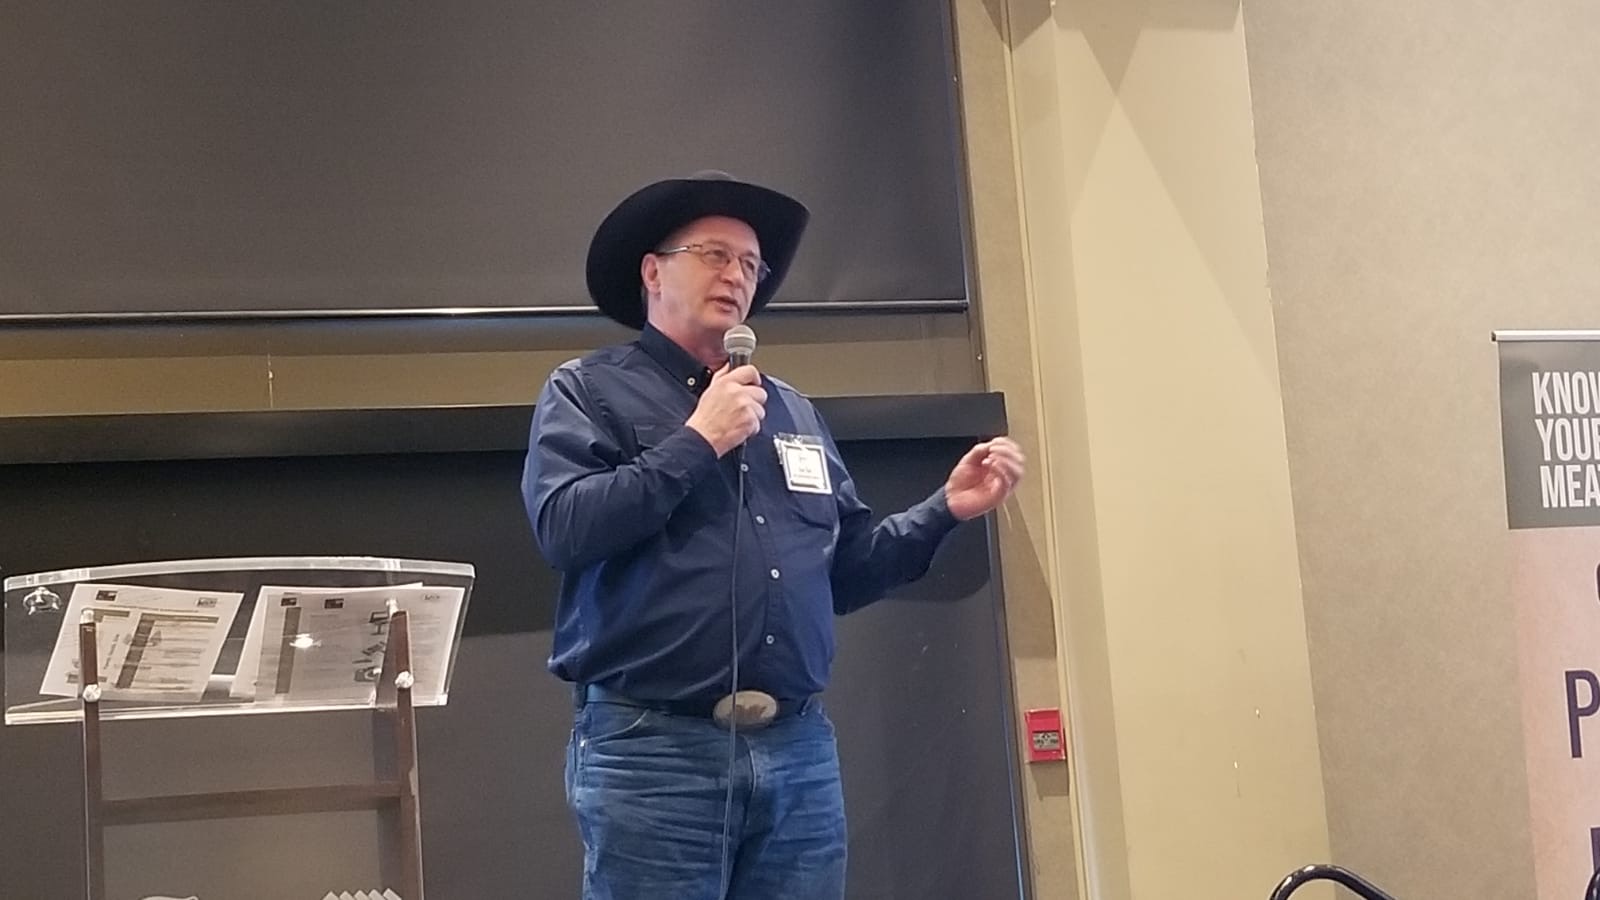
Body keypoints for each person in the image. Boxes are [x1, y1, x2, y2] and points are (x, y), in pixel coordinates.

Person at [521, 170, 1025, 900]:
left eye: (752, 265)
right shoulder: (587, 390)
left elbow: (846, 571)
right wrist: (699, 440)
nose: (737, 276)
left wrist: (943, 509)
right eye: (715, 255)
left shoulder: (790, 411)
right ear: (653, 272)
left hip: (796, 749)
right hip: (653, 751)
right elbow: (565, 528)